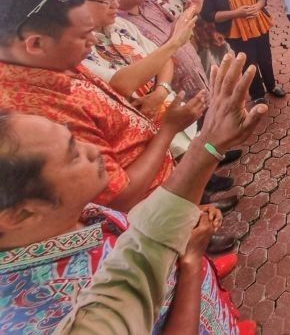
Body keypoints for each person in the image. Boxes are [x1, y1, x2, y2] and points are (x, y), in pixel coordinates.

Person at [0, 52, 265, 334]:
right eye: (73, 153)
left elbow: (140, 238)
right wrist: (189, 265)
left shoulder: (69, 216)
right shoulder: (35, 316)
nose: (93, 150)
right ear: (21, 213)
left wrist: (209, 147)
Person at [0, 0, 226, 222]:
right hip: (147, 218)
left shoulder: (51, 62)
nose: (94, 40)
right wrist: (169, 129)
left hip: (166, 189)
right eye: (84, 35)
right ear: (36, 44)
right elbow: (122, 195)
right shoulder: (34, 118)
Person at [93, 0, 210, 99]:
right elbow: (160, 56)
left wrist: (191, 9)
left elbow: (172, 29)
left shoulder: (150, 4)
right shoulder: (121, 23)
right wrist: (175, 42)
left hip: (197, 80)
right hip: (176, 94)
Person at [200, 0, 285, 102]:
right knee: (247, 62)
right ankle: (257, 94)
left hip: (258, 21)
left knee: (265, 57)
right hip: (234, 29)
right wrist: (237, 13)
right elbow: (209, 15)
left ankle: (271, 85)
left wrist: (258, 6)